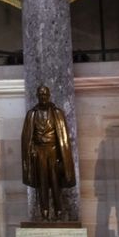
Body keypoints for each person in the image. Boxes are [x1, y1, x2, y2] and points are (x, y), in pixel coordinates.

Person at [21, 85, 75, 221]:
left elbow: (63, 137)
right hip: (39, 152)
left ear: (49, 95)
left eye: (45, 95)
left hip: (54, 150)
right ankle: (44, 211)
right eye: (40, 95)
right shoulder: (32, 114)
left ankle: (58, 211)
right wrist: (32, 149)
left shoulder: (57, 113)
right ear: (37, 96)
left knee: (55, 181)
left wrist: (62, 158)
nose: (43, 97)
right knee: (42, 183)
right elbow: (27, 137)